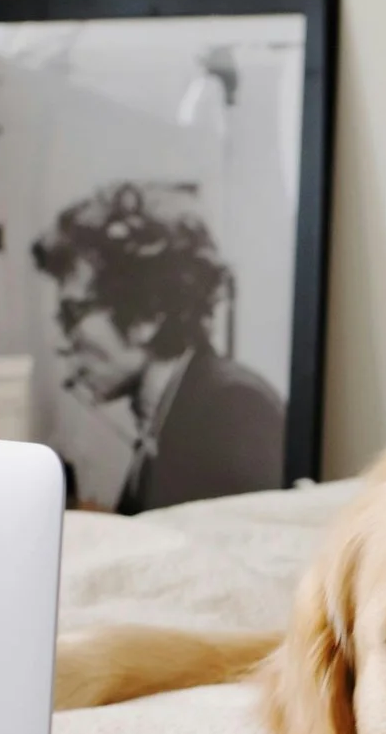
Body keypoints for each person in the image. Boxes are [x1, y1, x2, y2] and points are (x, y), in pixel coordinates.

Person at [29, 183, 286, 513]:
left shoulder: (233, 407)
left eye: (73, 314)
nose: (60, 341)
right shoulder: (165, 418)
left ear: (147, 317)